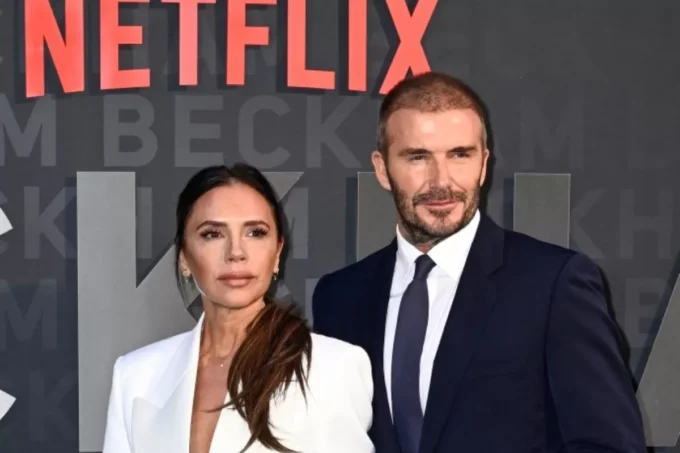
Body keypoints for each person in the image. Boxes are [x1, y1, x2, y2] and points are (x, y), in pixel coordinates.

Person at [312, 72, 646, 453]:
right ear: (382, 169)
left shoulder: (552, 285)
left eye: (460, 155)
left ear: (484, 164)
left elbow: (609, 446)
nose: (441, 181)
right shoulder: (339, 297)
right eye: (418, 157)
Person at [102, 164, 374, 453]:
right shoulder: (135, 375)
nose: (235, 252)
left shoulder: (333, 367)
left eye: (255, 233)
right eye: (212, 234)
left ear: (277, 253)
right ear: (184, 257)